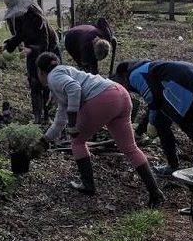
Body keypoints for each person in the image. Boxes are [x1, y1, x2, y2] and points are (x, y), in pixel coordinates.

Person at [36, 52, 164, 207]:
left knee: (77, 142)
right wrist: (44, 140)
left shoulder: (53, 77)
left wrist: (72, 122)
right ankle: (155, 193)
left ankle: (88, 185)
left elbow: (74, 89)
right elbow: (59, 121)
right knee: (130, 148)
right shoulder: (66, 72)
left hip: (103, 98)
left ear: (41, 72)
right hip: (120, 94)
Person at [114, 59, 193, 176]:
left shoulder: (134, 75)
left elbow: (152, 100)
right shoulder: (142, 67)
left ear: (123, 76)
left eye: (121, 83)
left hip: (185, 84)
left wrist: (151, 124)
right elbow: (156, 102)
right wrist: (139, 131)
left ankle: (173, 166)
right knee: (184, 124)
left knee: (163, 125)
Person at [0, 0, 58, 123]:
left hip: (48, 48)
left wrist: (32, 49)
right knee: (34, 82)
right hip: (31, 49)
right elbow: (21, 35)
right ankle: (37, 117)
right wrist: (8, 45)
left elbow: (45, 42)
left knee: (47, 82)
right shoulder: (19, 17)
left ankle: (47, 117)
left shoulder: (36, 16)